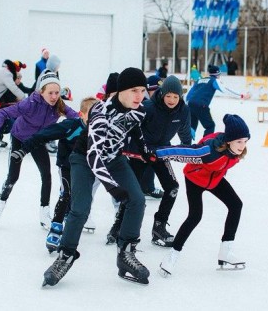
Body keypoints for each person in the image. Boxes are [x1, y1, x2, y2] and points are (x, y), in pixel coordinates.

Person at [42, 67, 152, 287]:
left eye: (142, 90)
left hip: (114, 157)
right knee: (80, 208)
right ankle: (66, 254)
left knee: (138, 200)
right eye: (134, 90)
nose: (140, 96)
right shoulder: (101, 112)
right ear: (120, 91)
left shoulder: (139, 109)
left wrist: (145, 150)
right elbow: (94, 156)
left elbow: (135, 128)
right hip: (84, 158)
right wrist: (113, 188)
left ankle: (126, 254)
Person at [0, 71, 79, 229]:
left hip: (38, 141)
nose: (54, 97)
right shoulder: (30, 103)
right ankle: (1, 203)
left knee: (46, 175)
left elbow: (77, 118)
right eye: (50, 93)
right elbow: (3, 112)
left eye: (56, 93)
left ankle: (44, 212)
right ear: (41, 91)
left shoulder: (59, 105)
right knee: (13, 177)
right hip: (19, 139)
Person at [156, 114, 249, 277]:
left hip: (214, 178)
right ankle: (171, 257)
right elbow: (182, 151)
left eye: (245, 141)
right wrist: (157, 152)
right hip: (195, 178)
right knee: (195, 216)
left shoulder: (235, 152)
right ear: (229, 140)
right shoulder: (209, 150)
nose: (243, 146)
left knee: (236, 205)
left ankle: (225, 252)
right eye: (239, 141)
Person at [110, 75, 192, 248]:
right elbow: (130, 127)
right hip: (140, 153)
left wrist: (186, 147)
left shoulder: (183, 111)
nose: (171, 100)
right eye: (168, 96)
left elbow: (185, 130)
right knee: (133, 190)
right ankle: (118, 226)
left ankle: (159, 226)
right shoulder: (148, 107)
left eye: (175, 97)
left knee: (172, 187)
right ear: (162, 94)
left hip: (161, 152)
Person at [10, 97, 99, 252]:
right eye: (91, 114)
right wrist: (24, 149)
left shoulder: (100, 131)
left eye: (99, 114)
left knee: (80, 197)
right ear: (81, 114)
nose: (96, 118)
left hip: (87, 169)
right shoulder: (71, 126)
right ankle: (56, 229)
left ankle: (75, 216)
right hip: (67, 166)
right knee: (66, 194)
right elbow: (44, 134)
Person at [186, 64, 249, 139]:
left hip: (191, 104)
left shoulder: (199, 80)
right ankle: (205, 144)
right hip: (201, 105)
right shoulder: (214, 80)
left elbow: (189, 94)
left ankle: (185, 143)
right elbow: (226, 90)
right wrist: (241, 95)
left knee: (192, 127)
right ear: (217, 74)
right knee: (210, 126)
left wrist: (186, 104)